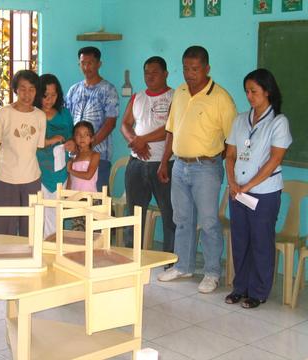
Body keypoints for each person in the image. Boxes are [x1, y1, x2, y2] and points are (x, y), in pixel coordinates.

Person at [157, 46, 237, 293]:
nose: (189, 74)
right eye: (185, 69)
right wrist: (164, 161)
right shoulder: (179, 93)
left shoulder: (221, 98)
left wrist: (215, 161)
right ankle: (184, 266)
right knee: (182, 219)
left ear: (207, 69)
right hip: (180, 165)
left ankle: (212, 272)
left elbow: (231, 139)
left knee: (209, 222)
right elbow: (171, 130)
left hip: (207, 168)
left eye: (195, 69)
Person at [225, 69, 291, 308]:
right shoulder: (240, 119)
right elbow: (230, 154)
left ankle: (259, 291)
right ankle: (239, 287)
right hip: (238, 192)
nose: (249, 96)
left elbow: (274, 160)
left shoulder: (278, 122)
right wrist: (233, 184)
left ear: (267, 91)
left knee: (261, 242)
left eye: (254, 91)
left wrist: (248, 186)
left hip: (264, 193)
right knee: (240, 241)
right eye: (247, 92)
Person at [121, 56, 176, 251]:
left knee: (169, 214)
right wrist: (134, 141)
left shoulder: (175, 97)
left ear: (165, 74)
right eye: (146, 73)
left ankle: (170, 260)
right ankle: (130, 254)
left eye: (155, 72)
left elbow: (171, 128)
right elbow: (125, 124)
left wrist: (143, 140)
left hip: (164, 164)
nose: (150, 76)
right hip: (136, 163)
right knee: (133, 214)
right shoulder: (137, 97)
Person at [0, 70, 46, 236]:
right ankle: (5, 261)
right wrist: (10, 164)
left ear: (36, 91)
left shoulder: (40, 116)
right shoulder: (3, 113)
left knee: (30, 228)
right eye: (22, 88)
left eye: (31, 89)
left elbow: (37, 147)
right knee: (5, 228)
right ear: (15, 89)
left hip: (31, 178)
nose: (27, 94)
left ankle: (29, 261)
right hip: (5, 178)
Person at [65, 46, 119, 191]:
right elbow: (68, 122)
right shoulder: (73, 90)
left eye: (90, 63)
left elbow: (110, 123)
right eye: (83, 63)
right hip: (76, 156)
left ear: (99, 64)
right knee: (75, 201)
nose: (86, 67)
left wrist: (88, 145)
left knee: (98, 203)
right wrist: (75, 145)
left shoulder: (108, 89)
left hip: (99, 156)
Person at [35, 74, 74, 238]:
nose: (49, 100)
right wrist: (51, 141)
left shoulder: (64, 114)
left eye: (53, 95)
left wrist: (72, 143)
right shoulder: (33, 113)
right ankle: (42, 253)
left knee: (56, 214)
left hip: (60, 172)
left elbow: (73, 137)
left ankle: (53, 252)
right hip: (38, 172)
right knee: (40, 215)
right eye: (45, 95)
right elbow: (29, 141)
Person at [67, 121, 100, 192]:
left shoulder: (95, 155)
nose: (82, 137)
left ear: (92, 138)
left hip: (89, 198)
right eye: (78, 134)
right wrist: (66, 197)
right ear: (74, 138)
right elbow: (70, 182)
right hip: (74, 198)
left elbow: (88, 176)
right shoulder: (73, 158)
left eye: (86, 134)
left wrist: (70, 170)